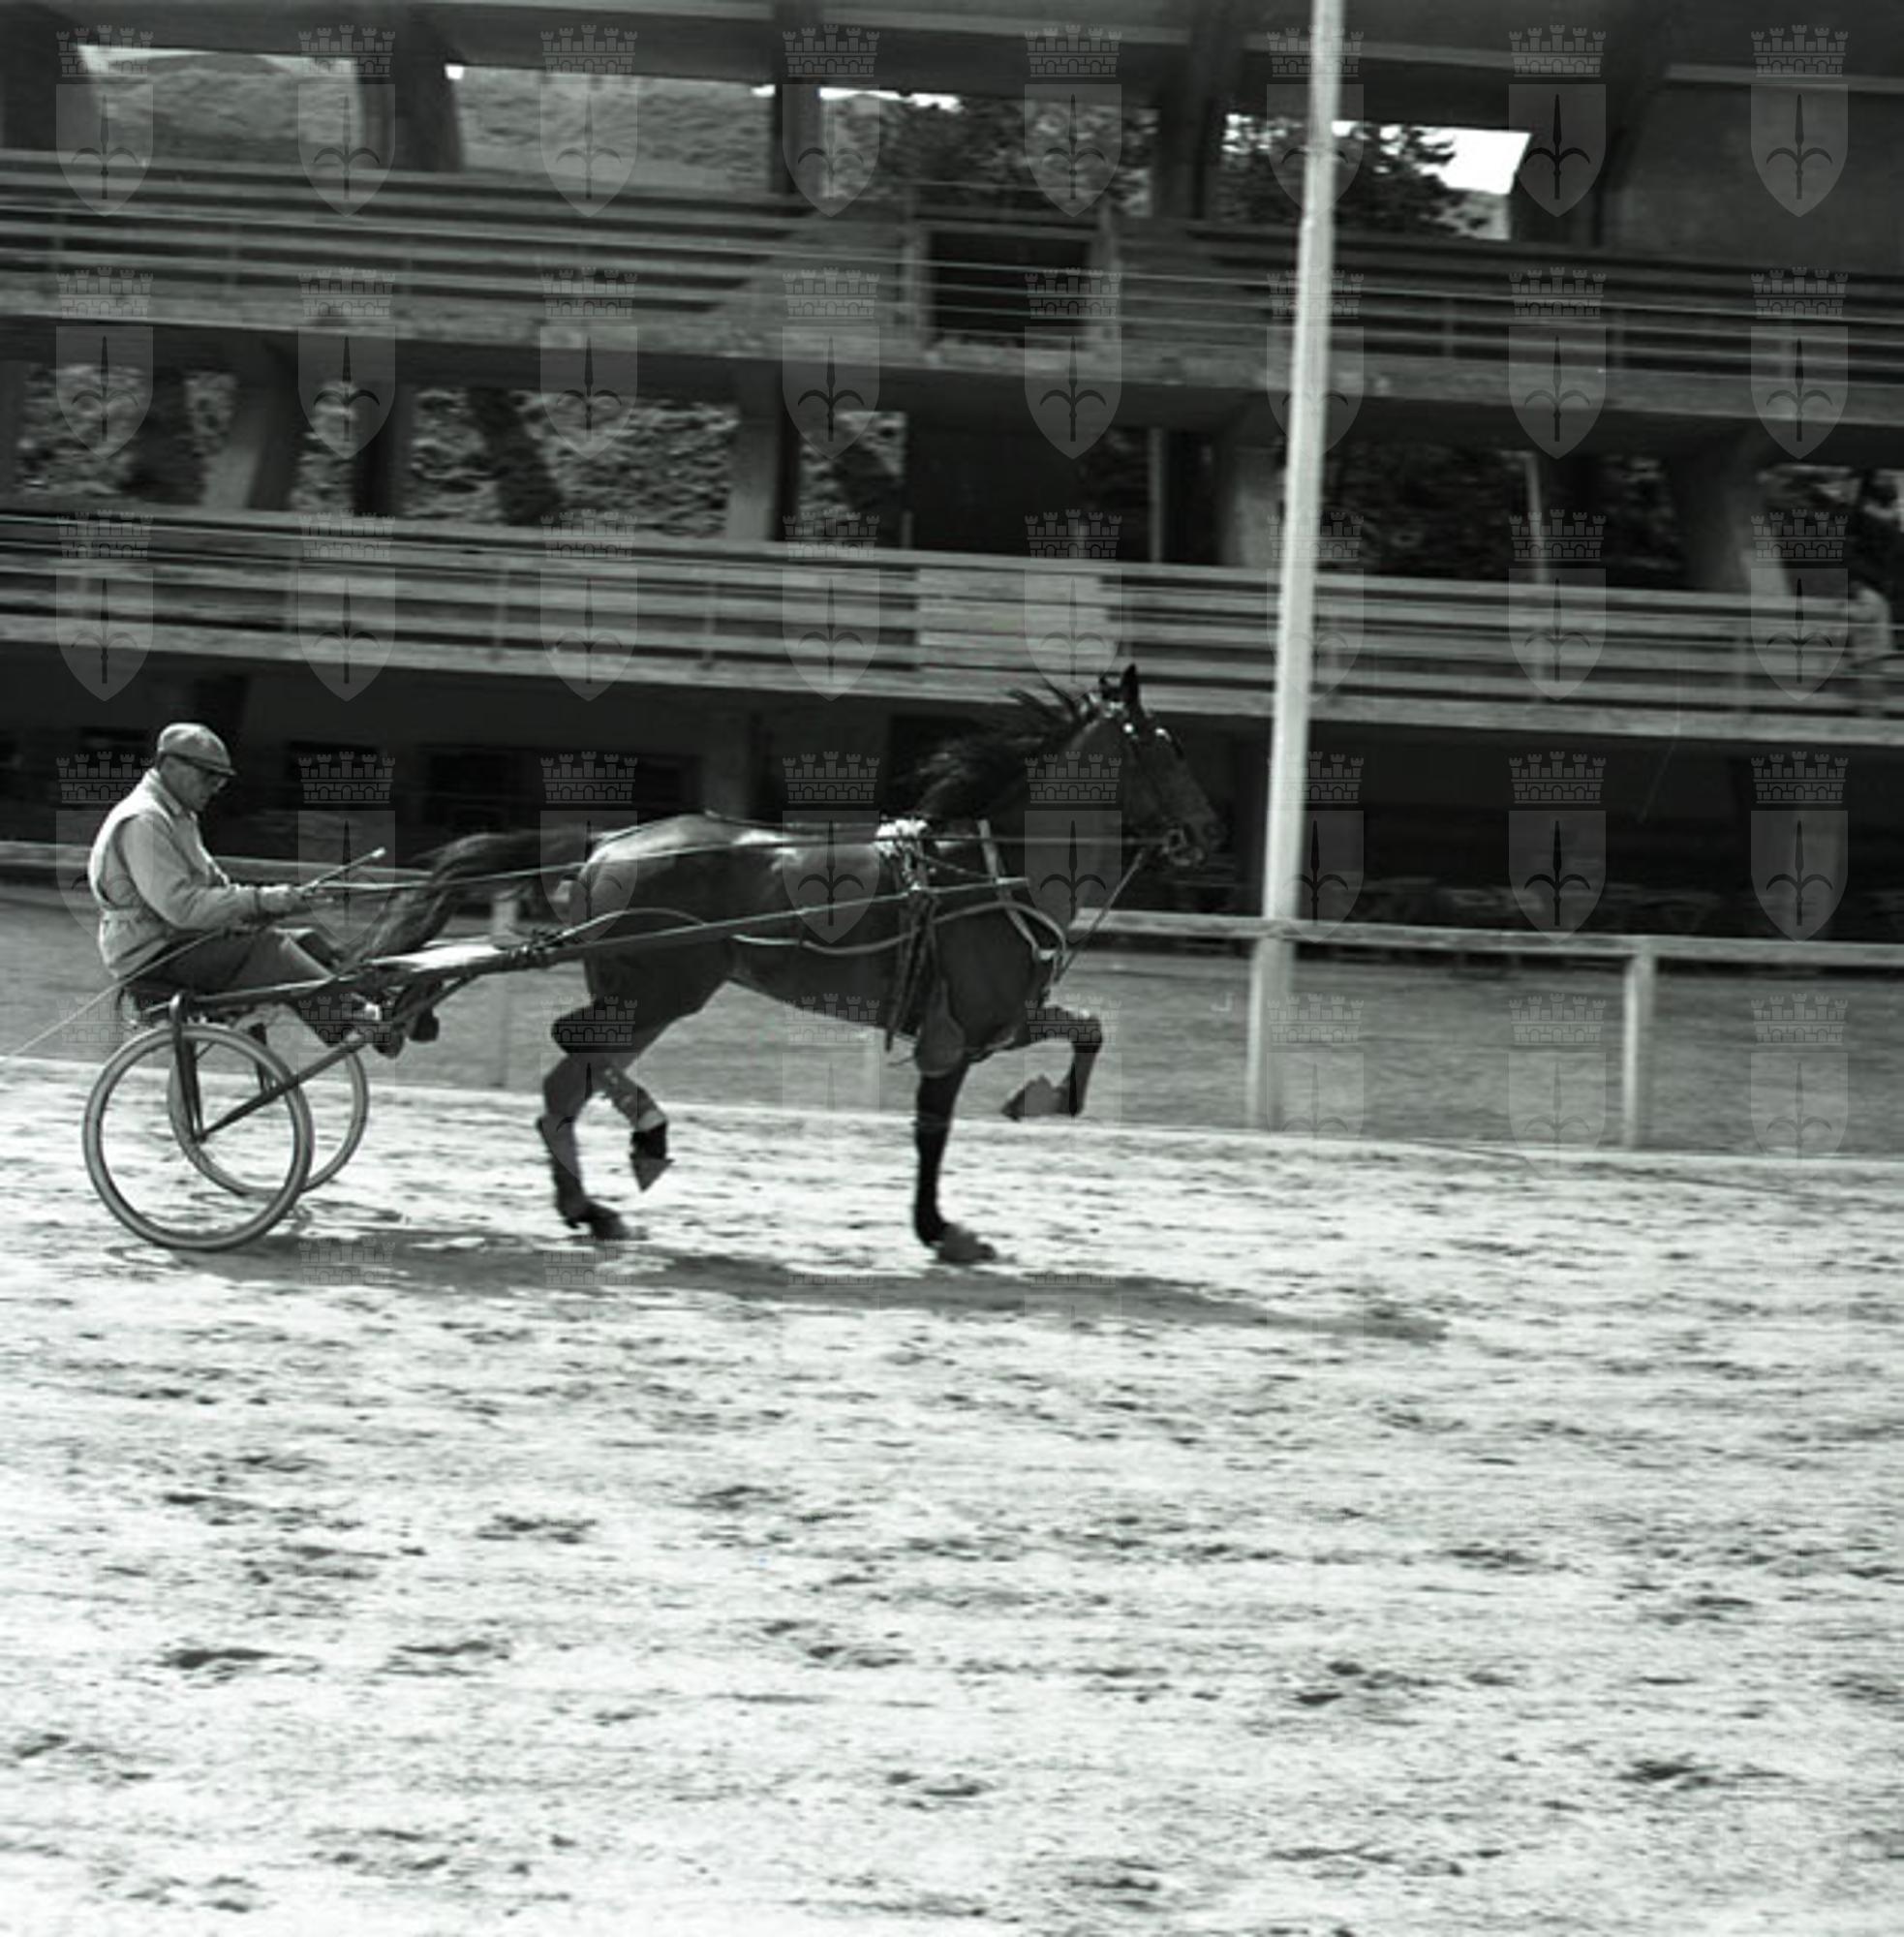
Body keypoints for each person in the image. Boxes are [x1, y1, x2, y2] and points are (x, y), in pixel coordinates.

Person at [86, 722, 403, 1054]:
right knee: (270, 951)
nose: (215, 787)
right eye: (208, 776)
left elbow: (217, 889)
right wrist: (263, 902)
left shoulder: (179, 817)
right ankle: (360, 1017)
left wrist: (280, 903)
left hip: (182, 940)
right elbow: (182, 908)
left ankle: (374, 997)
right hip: (152, 954)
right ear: (169, 765)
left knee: (308, 940)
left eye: (221, 779)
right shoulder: (145, 822)